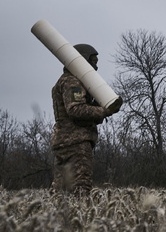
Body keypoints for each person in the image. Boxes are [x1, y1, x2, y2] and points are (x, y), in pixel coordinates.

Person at [51, 43, 121, 194]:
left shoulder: (66, 80)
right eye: (93, 61)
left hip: (64, 142)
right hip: (76, 143)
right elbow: (75, 110)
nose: (95, 66)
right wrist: (104, 110)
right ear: (83, 60)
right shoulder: (72, 82)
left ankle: (56, 217)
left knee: (61, 191)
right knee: (80, 188)